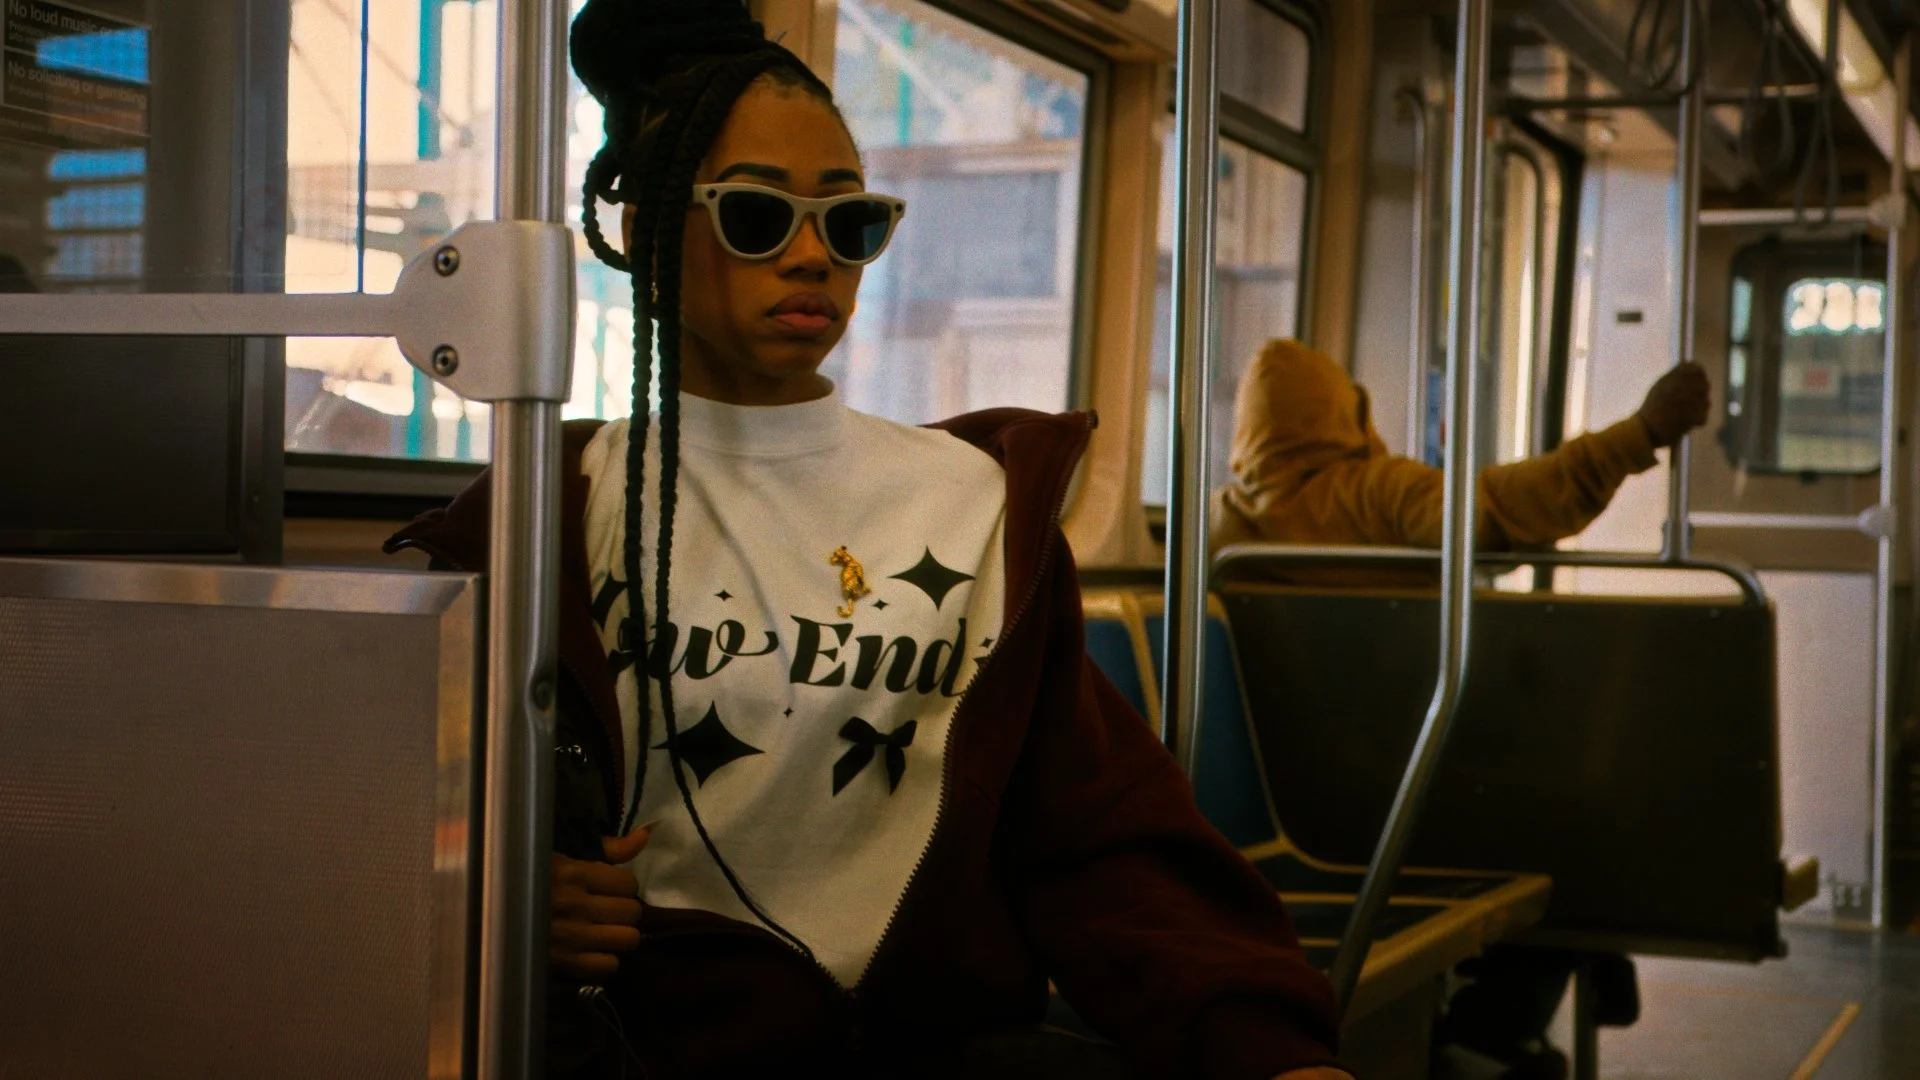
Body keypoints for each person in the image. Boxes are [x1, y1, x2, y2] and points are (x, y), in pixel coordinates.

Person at [387, 3, 1349, 1077]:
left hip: (926, 1045)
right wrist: (486, 887)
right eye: (757, 217)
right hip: (652, 1046)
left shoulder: (976, 506)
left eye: (849, 225)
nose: (812, 259)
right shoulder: (550, 509)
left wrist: (1269, 1049)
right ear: (657, 230)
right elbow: (371, 813)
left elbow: (1101, 838)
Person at [1211, 338, 1711, 582]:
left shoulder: (1219, 526)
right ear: (1345, 410)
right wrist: (1638, 434)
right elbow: (1500, 507)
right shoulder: (1374, 493)